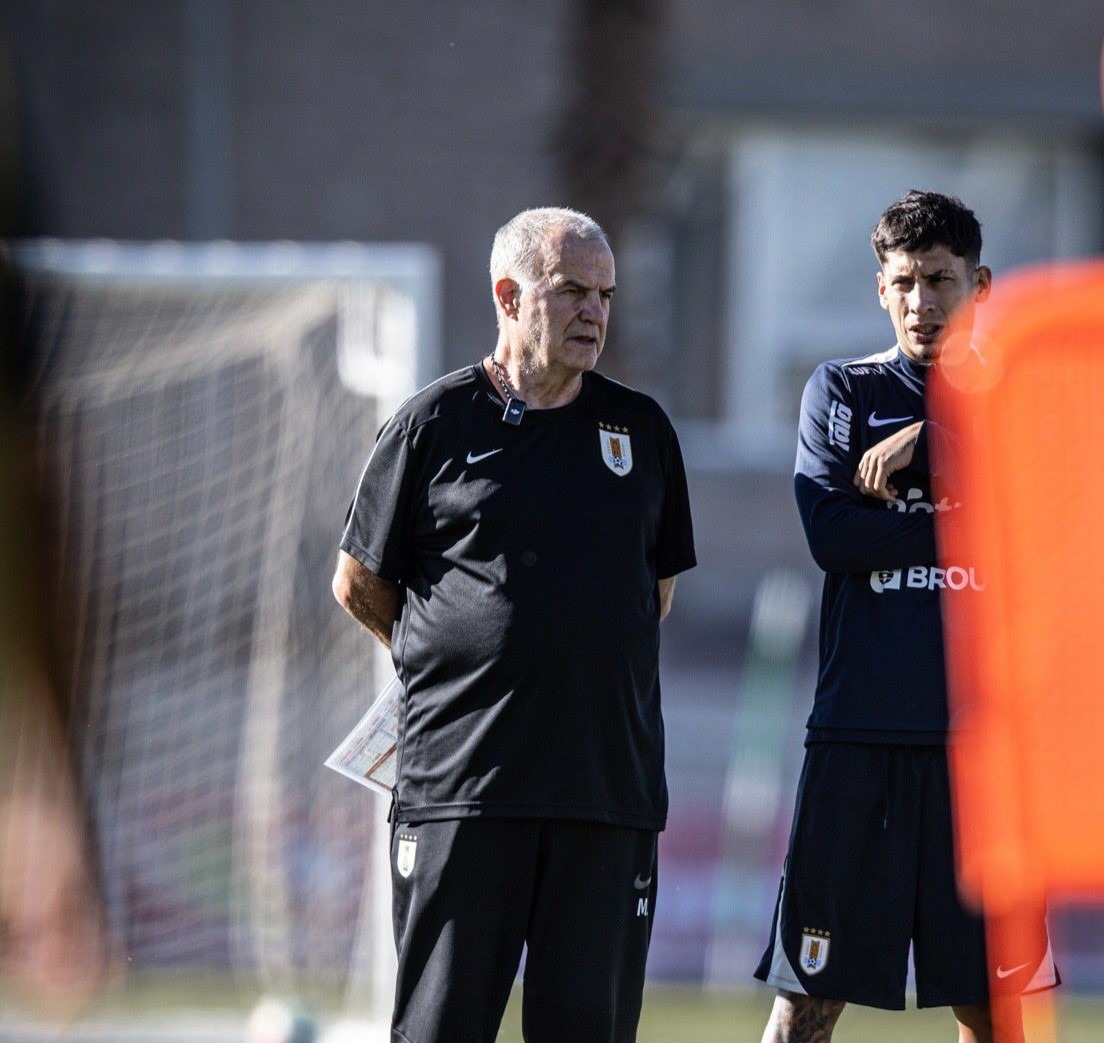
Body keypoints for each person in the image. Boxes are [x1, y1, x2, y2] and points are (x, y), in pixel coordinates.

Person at [333, 207, 696, 1043]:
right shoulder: (432, 424)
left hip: (606, 793)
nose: (595, 313)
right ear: (510, 293)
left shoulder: (641, 432)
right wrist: (455, 656)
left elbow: (656, 592)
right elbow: (358, 582)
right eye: (573, 291)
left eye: (605, 294)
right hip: (464, 788)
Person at [754, 191, 1057, 1043]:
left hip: (985, 748)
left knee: (996, 1012)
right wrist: (972, 509)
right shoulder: (841, 391)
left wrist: (929, 439)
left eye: (941, 280)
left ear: (982, 285)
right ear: (878, 291)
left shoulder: (1024, 396)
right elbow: (832, 534)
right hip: (858, 736)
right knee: (805, 1005)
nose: (924, 301)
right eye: (905, 283)